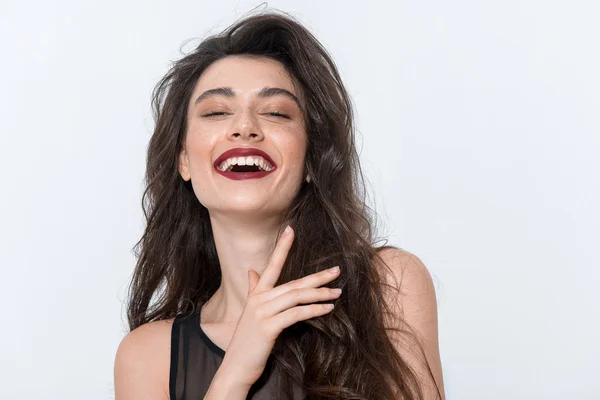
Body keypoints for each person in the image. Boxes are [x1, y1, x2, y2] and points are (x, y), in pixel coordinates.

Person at [114, 10, 445, 400]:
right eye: (217, 112)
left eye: (275, 113)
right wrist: (234, 372)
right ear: (183, 158)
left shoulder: (389, 285)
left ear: (310, 160)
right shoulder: (147, 356)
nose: (245, 127)